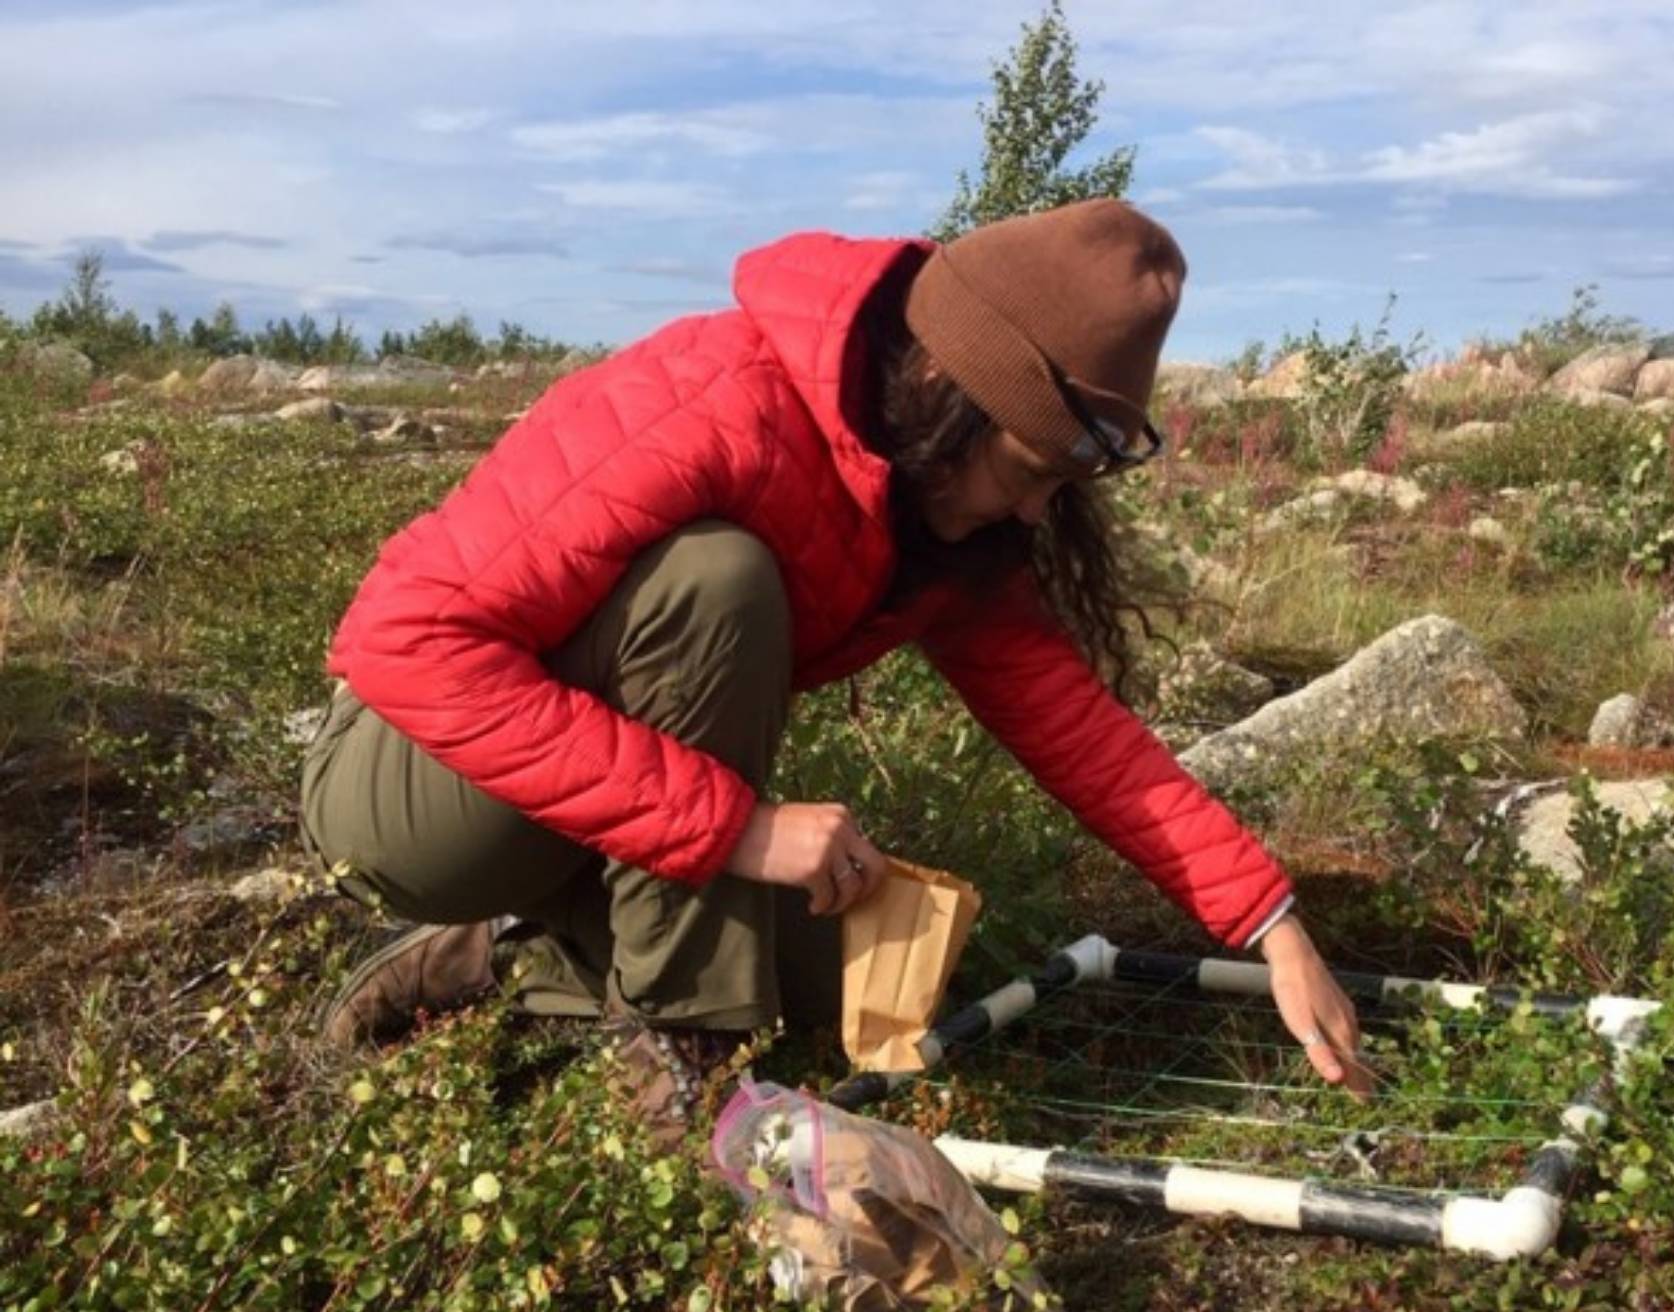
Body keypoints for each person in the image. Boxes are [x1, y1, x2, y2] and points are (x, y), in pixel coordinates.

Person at [300, 198, 1368, 1148]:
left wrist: (1269, 924)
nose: (1038, 512)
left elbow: (1077, 732)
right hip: (411, 791)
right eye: (1032, 472)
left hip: (584, 812)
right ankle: (682, 1056)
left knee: (872, 975)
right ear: (950, 388)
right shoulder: (714, 400)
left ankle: (496, 954)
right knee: (717, 579)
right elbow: (407, 644)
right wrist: (744, 831)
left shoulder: (935, 517)